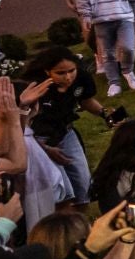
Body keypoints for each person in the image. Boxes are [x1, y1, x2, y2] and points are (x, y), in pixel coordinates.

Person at [21, 46, 113, 206]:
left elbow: (85, 100)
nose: (68, 77)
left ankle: (82, 223)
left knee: (83, 184)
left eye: (71, 70)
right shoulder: (34, 88)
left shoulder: (81, 78)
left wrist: (104, 114)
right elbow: (22, 125)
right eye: (61, 73)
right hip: (37, 138)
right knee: (61, 190)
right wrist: (44, 149)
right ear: (46, 71)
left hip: (65, 132)